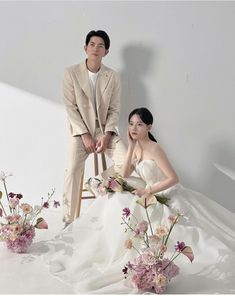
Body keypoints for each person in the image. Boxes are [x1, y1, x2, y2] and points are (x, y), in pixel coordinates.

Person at [45, 107, 235, 294]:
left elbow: (173, 178)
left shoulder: (155, 149)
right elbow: (125, 173)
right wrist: (130, 148)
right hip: (149, 192)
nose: (134, 128)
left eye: (139, 124)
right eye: (131, 124)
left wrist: (149, 190)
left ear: (149, 127)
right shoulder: (137, 147)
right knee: (117, 198)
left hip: (166, 193)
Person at [63, 30, 127, 224]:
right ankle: (68, 220)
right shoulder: (71, 73)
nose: (96, 48)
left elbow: (115, 109)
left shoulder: (112, 76)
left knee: (128, 161)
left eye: (100, 46)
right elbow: (70, 108)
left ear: (106, 52)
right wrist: (84, 135)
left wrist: (107, 135)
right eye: (92, 44)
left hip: (104, 131)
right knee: (73, 168)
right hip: (80, 132)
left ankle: (96, 182)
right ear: (85, 48)